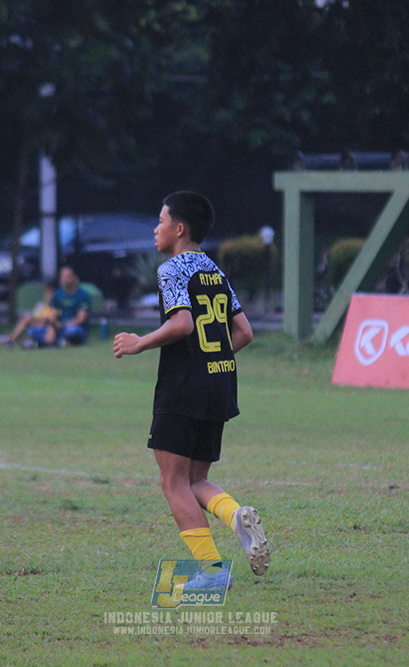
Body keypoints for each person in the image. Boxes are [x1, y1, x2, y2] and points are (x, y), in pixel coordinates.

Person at [112, 191, 270, 593]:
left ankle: (213, 573)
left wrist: (139, 342)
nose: (156, 228)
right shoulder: (215, 271)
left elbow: (182, 325)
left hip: (185, 388)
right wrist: (209, 362)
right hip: (220, 380)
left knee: (172, 482)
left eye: (161, 220)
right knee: (196, 477)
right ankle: (235, 515)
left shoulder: (172, 270)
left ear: (179, 229)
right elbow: (244, 333)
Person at [31, 265, 91, 347]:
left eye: (67, 276)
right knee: (33, 331)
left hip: (72, 327)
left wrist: (63, 324)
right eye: (62, 276)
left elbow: (80, 319)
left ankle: (48, 343)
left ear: (75, 278)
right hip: (58, 327)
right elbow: (53, 314)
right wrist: (53, 326)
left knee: (72, 331)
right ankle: (59, 342)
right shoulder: (57, 294)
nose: (64, 279)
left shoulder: (83, 295)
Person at [0, 280, 57, 349]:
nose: (48, 295)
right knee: (27, 318)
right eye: (47, 292)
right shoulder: (41, 306)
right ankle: (11, 339)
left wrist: (43, 320)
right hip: (38, 326)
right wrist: (41, 320)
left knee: (30, 319)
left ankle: (11, 339)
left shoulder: (55, 306)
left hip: (49, 329)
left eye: (50, 293)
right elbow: (34, 317)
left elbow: (53, 320)